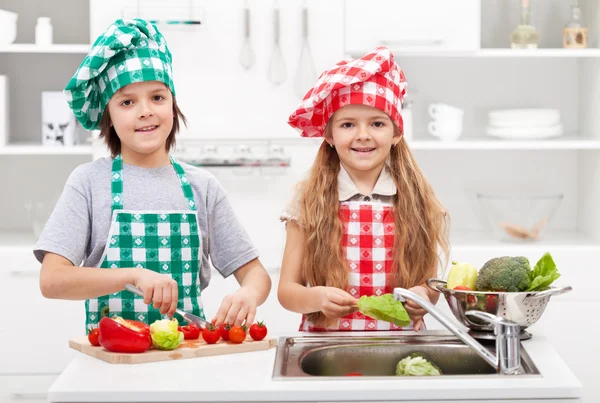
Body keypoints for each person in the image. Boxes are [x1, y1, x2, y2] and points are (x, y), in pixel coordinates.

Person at [35, 18, 271, 331]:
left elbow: (257, 275)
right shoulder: (89, 183)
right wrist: (131, 275)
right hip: (112, 363)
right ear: (110, 116)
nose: (145, 110)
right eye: (127, 101)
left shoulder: (202, 187)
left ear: (173, 106)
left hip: (185, 358)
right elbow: (52, 281)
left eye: (157, 97)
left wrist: (249, 293)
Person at [278, 47, 449, 332]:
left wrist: (424, 297)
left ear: (395, 133)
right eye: (347, 124)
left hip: (400, 347)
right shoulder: (308, 200)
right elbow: (287, 291)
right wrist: (316, 298)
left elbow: (429, 285)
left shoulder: (416, 199)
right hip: (326, 345)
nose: (363, 135)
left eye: (377, 123)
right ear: (330, 135)